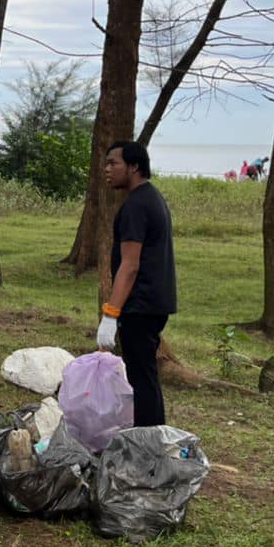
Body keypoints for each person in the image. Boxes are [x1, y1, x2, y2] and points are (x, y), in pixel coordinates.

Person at [98, 140, 177, 428]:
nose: (107, 169)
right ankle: (153, 436)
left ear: (134, 166)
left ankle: (148, 443)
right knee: (145, 377)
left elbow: (129, 266)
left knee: (142, 381)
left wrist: (110, 314)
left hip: (140, 305)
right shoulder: (152, 198)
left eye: (113, 163)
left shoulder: (135, 206)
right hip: (154, 303)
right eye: (106, 163)